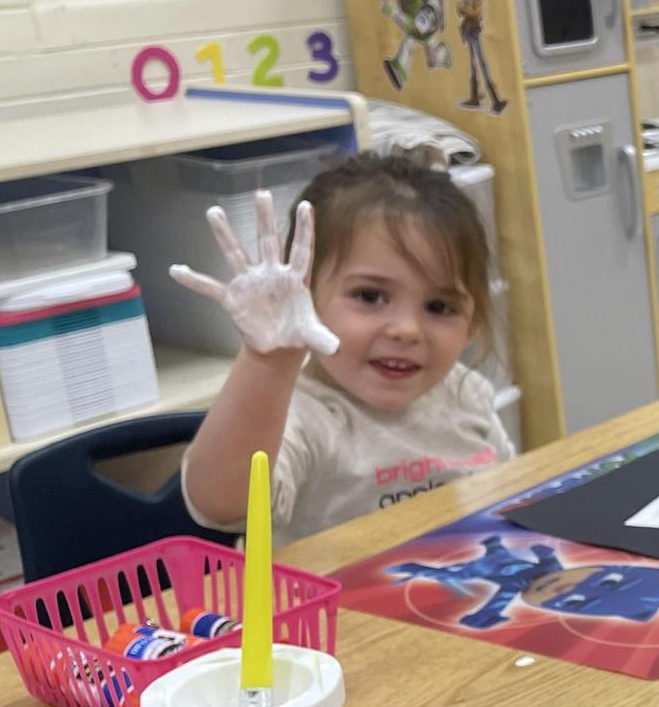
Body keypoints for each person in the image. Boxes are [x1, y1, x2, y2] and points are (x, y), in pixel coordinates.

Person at [175, 151, 513, 541]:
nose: (407, 330)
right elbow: (219, 504)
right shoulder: (299, 415)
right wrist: (267, 362)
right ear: (305, 293)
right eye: (370, 296)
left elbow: (510, 498)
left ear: (472, 324)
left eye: (439, 307)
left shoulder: (465, 393)